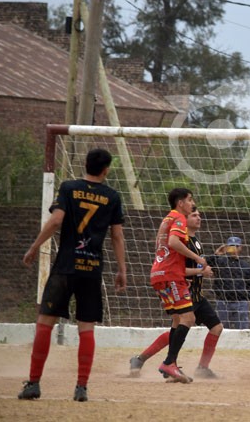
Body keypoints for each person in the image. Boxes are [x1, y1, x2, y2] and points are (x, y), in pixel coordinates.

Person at [18, 148, 126, 402]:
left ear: (86, 165)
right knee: (86, 327)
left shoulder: (68, 188)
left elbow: (56, 221)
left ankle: (33, 383)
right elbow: (117, 235)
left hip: (66, 266)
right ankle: (81, 387)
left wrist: (34, 247)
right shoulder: (112, 196)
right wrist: (122, 269)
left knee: (45, 322)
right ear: (106, 169)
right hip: (91, 270)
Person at [130, 207, 224, 379]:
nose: (199, 218)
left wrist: (210, 261)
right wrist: (200, 272)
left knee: (216, 327)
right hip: (183, 290)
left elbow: (197, 265)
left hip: (196, 294)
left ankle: (202, 367)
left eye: (199, 215)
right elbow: (179, 269)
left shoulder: (195, 242)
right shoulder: (182, 242)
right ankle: (146, 360)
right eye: (194, 215)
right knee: (178, 327)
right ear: (184, 220)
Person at [148, 187, 207, 383]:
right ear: (180, 203)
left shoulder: (166, 219)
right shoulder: (180, 218)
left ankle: (169, 365)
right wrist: (197, 258)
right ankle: (169, 363)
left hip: (159, 274)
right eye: (190, 200)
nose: (192, 204)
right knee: (188, 318)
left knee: (177, 318)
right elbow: (173, 242)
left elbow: (161, 244)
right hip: (171, 275)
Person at [205, 236, 250, 330]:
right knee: (221, 330)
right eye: (231, 246)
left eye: (236, 246)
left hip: (240, 302)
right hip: (223, 301)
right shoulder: (220, 262)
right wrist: (217, 254)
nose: (234, 249)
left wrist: (248, 297)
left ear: (240, 247)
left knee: (242, 330)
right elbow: (206, 264)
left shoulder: (245, 265)